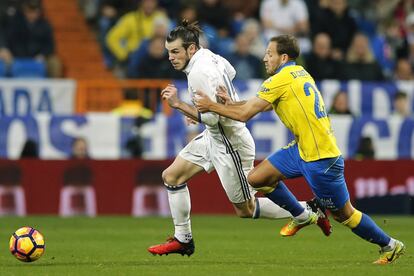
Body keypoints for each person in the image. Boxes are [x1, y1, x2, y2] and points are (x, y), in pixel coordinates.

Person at [194, 34, 405, 264]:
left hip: (322, 159)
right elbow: (263, 106)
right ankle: (302, 214)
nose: (265, 58)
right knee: (256, 178)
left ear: (283, 57)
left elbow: (246, 115)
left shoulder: (278, 80)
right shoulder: (299, 73)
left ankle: (390, 245)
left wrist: (211, 106)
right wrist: (230, 103)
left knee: (344, 215)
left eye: (269, 54)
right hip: (301, 149)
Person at [147, 21, 331, 257]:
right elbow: (230, 72)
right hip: (214, 138)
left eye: (175, 51)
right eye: (168, 52)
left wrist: (180, 105)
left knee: (246, 209)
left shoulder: (198, 73)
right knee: (172, 176)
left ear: (191, 49)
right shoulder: (209, 56)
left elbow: (212, 119)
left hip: (230, 143)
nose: (171, 57)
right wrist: (216, 102)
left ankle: (308, 210)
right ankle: (183, 239)